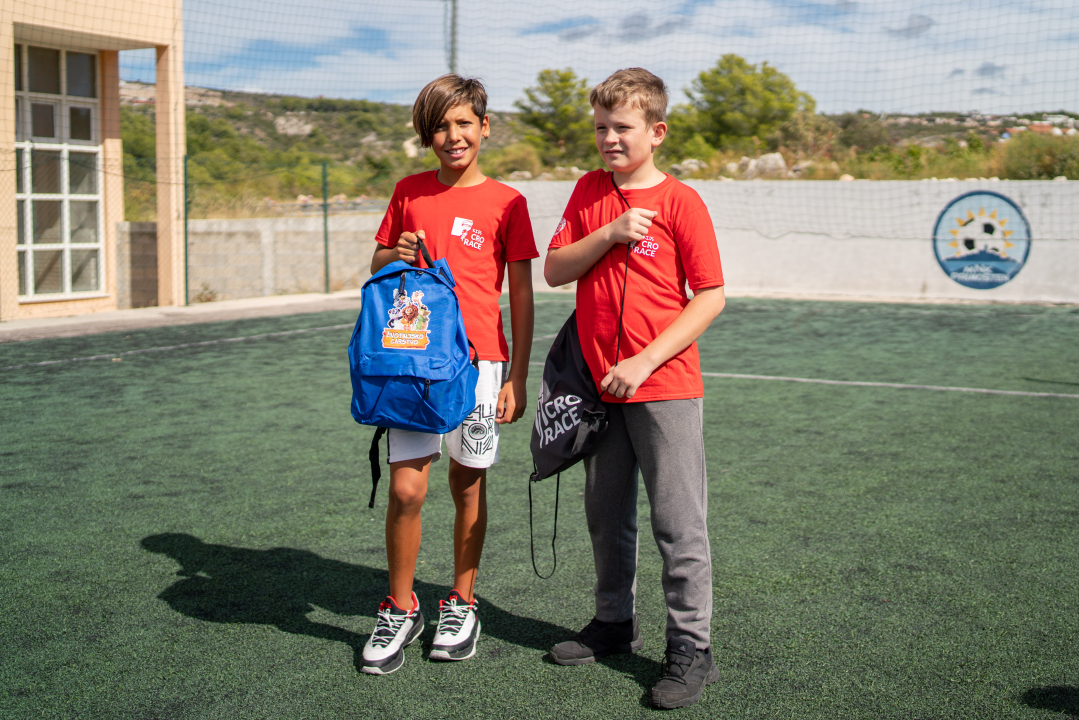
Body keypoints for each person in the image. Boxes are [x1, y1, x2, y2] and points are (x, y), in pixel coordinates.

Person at [543, 68, 726, 709]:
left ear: (657, 132)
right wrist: (610, 234)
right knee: (605, 515)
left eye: (622, 127)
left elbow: (710, 297)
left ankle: (690, 648)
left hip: (663, 386)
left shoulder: (682, 203)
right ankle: (614, 623)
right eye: (600, 127)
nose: (608, 138)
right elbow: (555, 271)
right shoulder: (589, 191)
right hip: (599, 389)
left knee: (679, 525)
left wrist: (645, 361)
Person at [361, 75, 537, 675]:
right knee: (407, 489)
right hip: (412, 365)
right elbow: (379, 261)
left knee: (468, 484)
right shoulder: (409, 191)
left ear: (485, 127)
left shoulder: (508, 202)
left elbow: (520, 293)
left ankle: (462, 601)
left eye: (464, 123)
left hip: (481, 366)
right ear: (426, 135)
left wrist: (515, 373)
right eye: (440, 126)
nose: (452, 136)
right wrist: (397, 252)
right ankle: (400, 607)